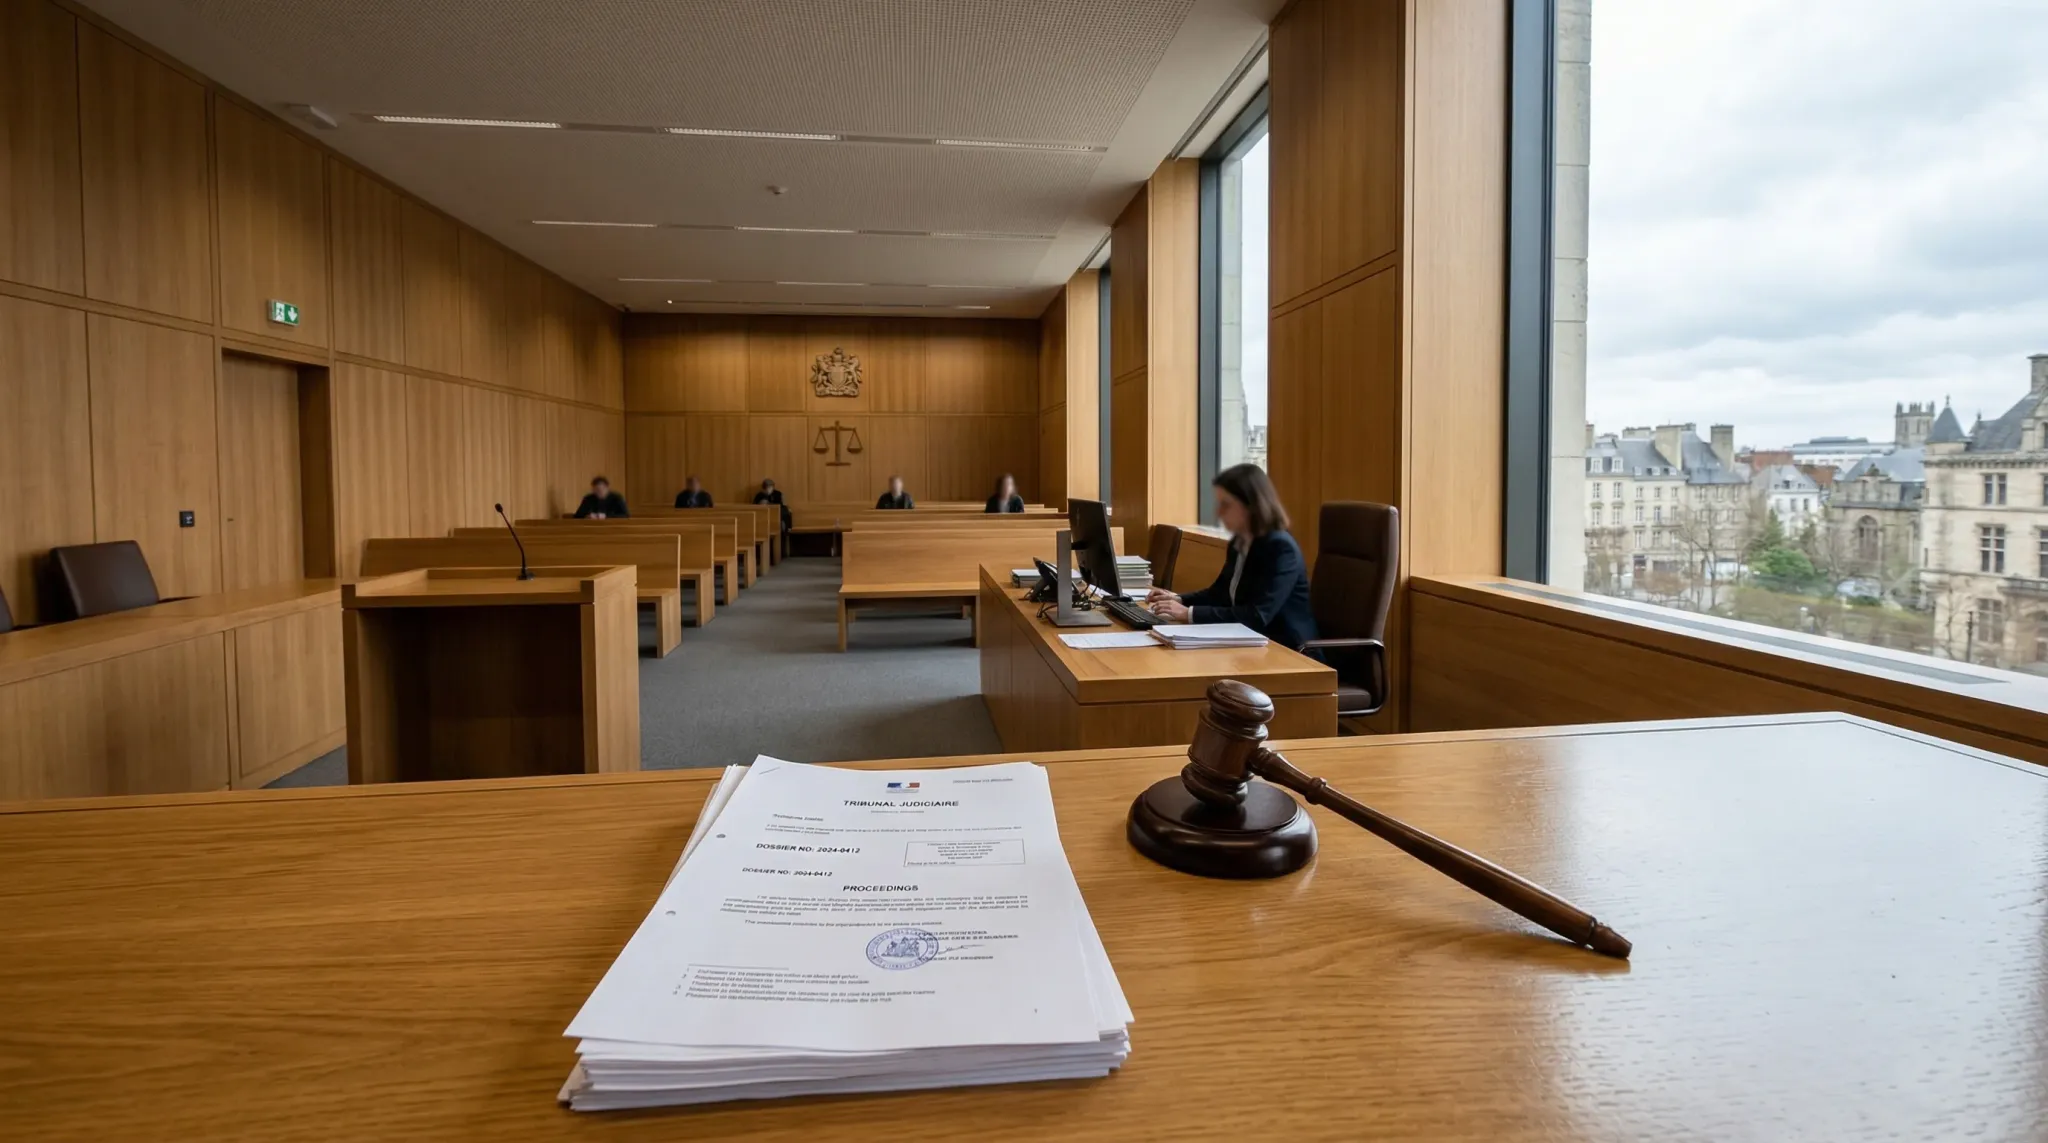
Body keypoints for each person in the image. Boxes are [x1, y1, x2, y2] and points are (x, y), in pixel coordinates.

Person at [1145, 463, 1317, 649]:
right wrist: (1178, 599)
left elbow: (1257, 615)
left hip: (1288, 650)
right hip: (1248, 642)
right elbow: (1218, 594)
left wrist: (1188, 614)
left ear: (1251, 506)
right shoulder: (1239, 542)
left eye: (1226, 505)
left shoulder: (1281, 548)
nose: (1218, 513)